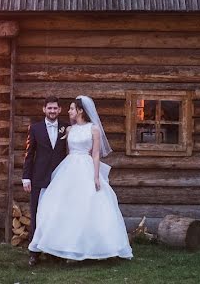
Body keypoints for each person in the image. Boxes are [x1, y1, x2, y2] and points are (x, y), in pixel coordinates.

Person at [27, 95, 133, 262]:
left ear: (80, 111)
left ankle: (93, 246)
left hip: (86, 166)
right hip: (68, 168)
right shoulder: (69, 129)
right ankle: (59, 248)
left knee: (89, 206)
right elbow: (66, 152)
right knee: (62, 206)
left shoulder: (94, 129)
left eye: (71, 109)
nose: (68, 111)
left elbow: (96, 154)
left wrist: (96, 176)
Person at [22, 95, 69, 267]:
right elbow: (29, 154)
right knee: (37, 214)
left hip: (59, 178)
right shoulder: (35, 128)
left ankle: (55, 252)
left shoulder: (66, 128)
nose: (52, 111)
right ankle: (34, 252)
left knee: (57, 215)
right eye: (49, 108)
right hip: (38, 177)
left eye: (55, 108)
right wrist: (26, 177)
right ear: (44, 110)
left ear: (59, 110)